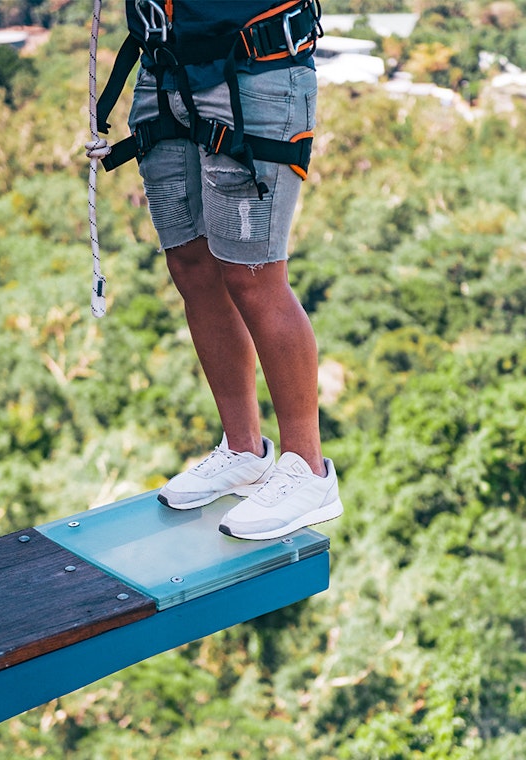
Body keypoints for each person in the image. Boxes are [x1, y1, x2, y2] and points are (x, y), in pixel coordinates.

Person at [89, 0, 341, 540]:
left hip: (254, 59)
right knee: (191, 264)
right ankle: (244, 450)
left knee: (252, 274)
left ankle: (308, 470)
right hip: (165, 64)